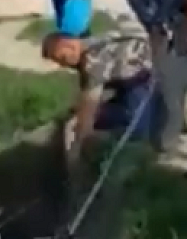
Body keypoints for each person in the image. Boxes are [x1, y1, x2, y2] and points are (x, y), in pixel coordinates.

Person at [102, 0, 187, 153]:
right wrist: (158, 62)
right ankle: (168, 146)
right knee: (170, 89)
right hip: (178, 37)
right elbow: (154, 30)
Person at [40, 31, 165, 163]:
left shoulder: (93, 60)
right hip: (125, 81)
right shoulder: (91, 43)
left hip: (144, 77)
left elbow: (90, 104)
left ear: (69, 45)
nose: (63, 65)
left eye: (62, 59)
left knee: (137, 133)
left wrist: (77, 146)